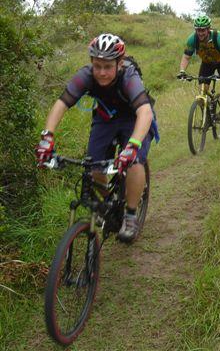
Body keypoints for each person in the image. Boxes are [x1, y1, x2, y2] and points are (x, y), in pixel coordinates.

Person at [35, 33, 154, 243]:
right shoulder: (86, 76)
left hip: (133, 119)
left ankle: (131, 215)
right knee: (93, 164)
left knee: (134, 162)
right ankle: (105, 204)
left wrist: (132, 146)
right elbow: (62, 103)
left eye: (108, 66)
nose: (101, 72)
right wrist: (47, 137)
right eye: (97, 66)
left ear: (119, 64)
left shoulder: (129, 76)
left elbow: (145, 112)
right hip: (105, 118)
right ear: (92, 63)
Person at [177, 15, 220, 122]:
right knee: (202, 89)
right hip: (207, 63)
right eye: (198, 30)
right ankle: (205, 115)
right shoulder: (192, 39)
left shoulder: (219, 38)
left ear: (208, 29)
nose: (200, 33)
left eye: (203, 30)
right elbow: (186, 57)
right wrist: (182, 71)